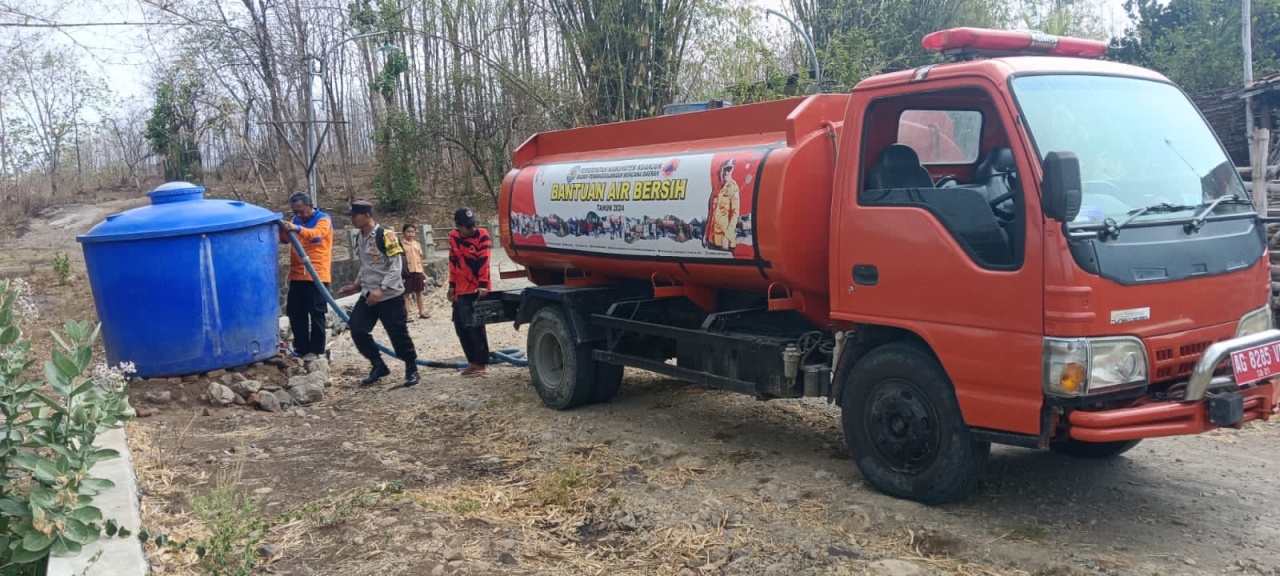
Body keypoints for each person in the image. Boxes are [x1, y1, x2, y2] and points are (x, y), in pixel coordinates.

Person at [336, 201, 419, 388]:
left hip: (389, 296)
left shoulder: (386, 235)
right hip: (368, 294)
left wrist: (381, 289)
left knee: (398, 334)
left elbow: (396, 267)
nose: (352, 219)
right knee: (357, 329)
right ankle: (378, 365)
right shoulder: (360, 237)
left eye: (354, 216)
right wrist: (356, 285)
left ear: (367, 215)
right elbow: (366, 265)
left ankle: (411, 368)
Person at [278, 192, 333, 359]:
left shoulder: (323, 219)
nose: (299, 215)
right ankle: (301, 348)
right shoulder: (295, 220)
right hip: (297, 275)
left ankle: (316, 350)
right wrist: (280, 228)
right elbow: (286, 239)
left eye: (301, 211)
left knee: (316, 313)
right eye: (295, 211)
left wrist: (297, 228)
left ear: (310, 206)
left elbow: (316, 234)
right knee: (295, 312)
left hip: (316, 275)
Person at [448, 207, 492, 378]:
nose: (472, 228)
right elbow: (453, 261)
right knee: (460, 325)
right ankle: (472, 361)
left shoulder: (482, 235)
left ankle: (481, 363)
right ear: (458, 225)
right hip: (460, 289)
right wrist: (452, 285)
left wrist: (483, 284)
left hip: (476, 288)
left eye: (474, 224)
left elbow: (484, 261)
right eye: (468, 226)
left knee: (475, 325)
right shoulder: (453, 237)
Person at [704, 158, 741, 251]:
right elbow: (711, 213)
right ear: (721, 171)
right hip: (712, 239)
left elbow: (735, 214)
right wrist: (706, 234)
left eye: (729, 169)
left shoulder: (733, 188)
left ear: (732, 171)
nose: (726, 172)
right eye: (724, 169)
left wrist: (727, 237)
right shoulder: (717, 188)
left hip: (725, 242)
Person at [401, 223, 430, 320]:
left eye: (412, 232)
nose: (410, 234)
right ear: (403, 233)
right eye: (408, 232)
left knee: (419, 292)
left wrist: (423, 272)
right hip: (407, 272)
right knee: (406, 294)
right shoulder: (401, 245)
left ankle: (421, 312)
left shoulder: (417, 244)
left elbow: (420, 259)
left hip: (418, 271)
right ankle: (406, 315)